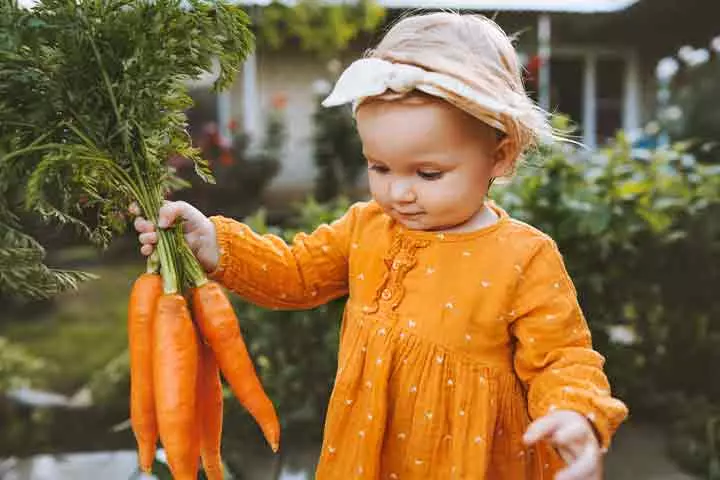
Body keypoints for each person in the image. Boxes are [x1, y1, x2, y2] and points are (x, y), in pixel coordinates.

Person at [132, 12, 628, 479]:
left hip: (471, 461)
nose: (398, 191)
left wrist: (574, 413)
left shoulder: (524, 256)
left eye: (428, 173)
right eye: (380, 167)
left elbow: (561, 358)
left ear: (499, 156)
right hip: (366, 454)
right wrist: (215, 242)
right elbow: (296, 274)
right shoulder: (366, 227)